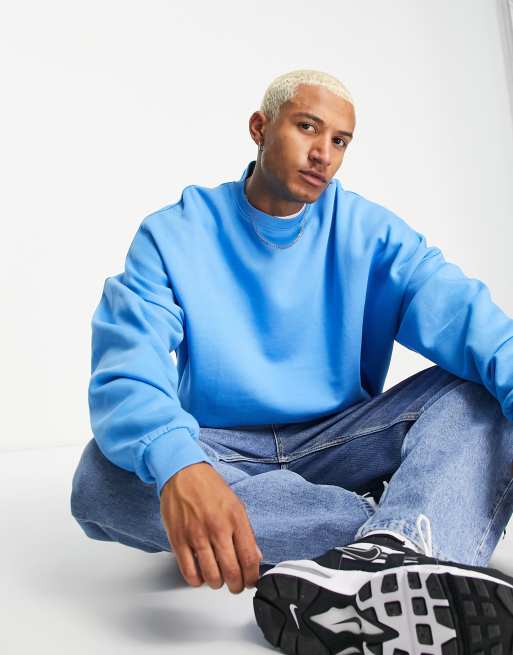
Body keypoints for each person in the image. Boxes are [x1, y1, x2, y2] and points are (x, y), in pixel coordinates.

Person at [70, 68, 513, 653]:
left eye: (340, 140)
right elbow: (129, 361)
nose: (323, 153)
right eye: (308, 127)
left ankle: (387, 548)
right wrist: (181, 465)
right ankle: (397, 536)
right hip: (222, 450)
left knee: (481, 392)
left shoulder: (368, 232)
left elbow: (468, 319)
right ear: (260, 127)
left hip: (345, 440)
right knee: (102, 479)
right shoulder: (174, 234)